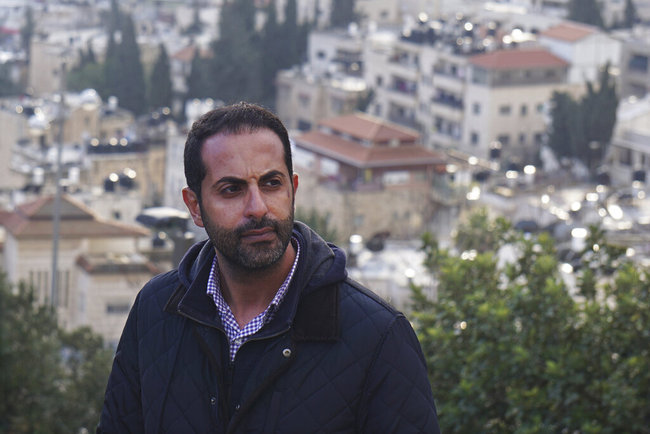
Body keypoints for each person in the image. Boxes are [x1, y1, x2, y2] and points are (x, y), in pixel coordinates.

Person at [98, 102, 440, 433]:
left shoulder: (377, 337)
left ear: (293, 188)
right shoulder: (156, 310)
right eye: (231, 189)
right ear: (195, 207)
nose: (257, 207)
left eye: (271, 183)